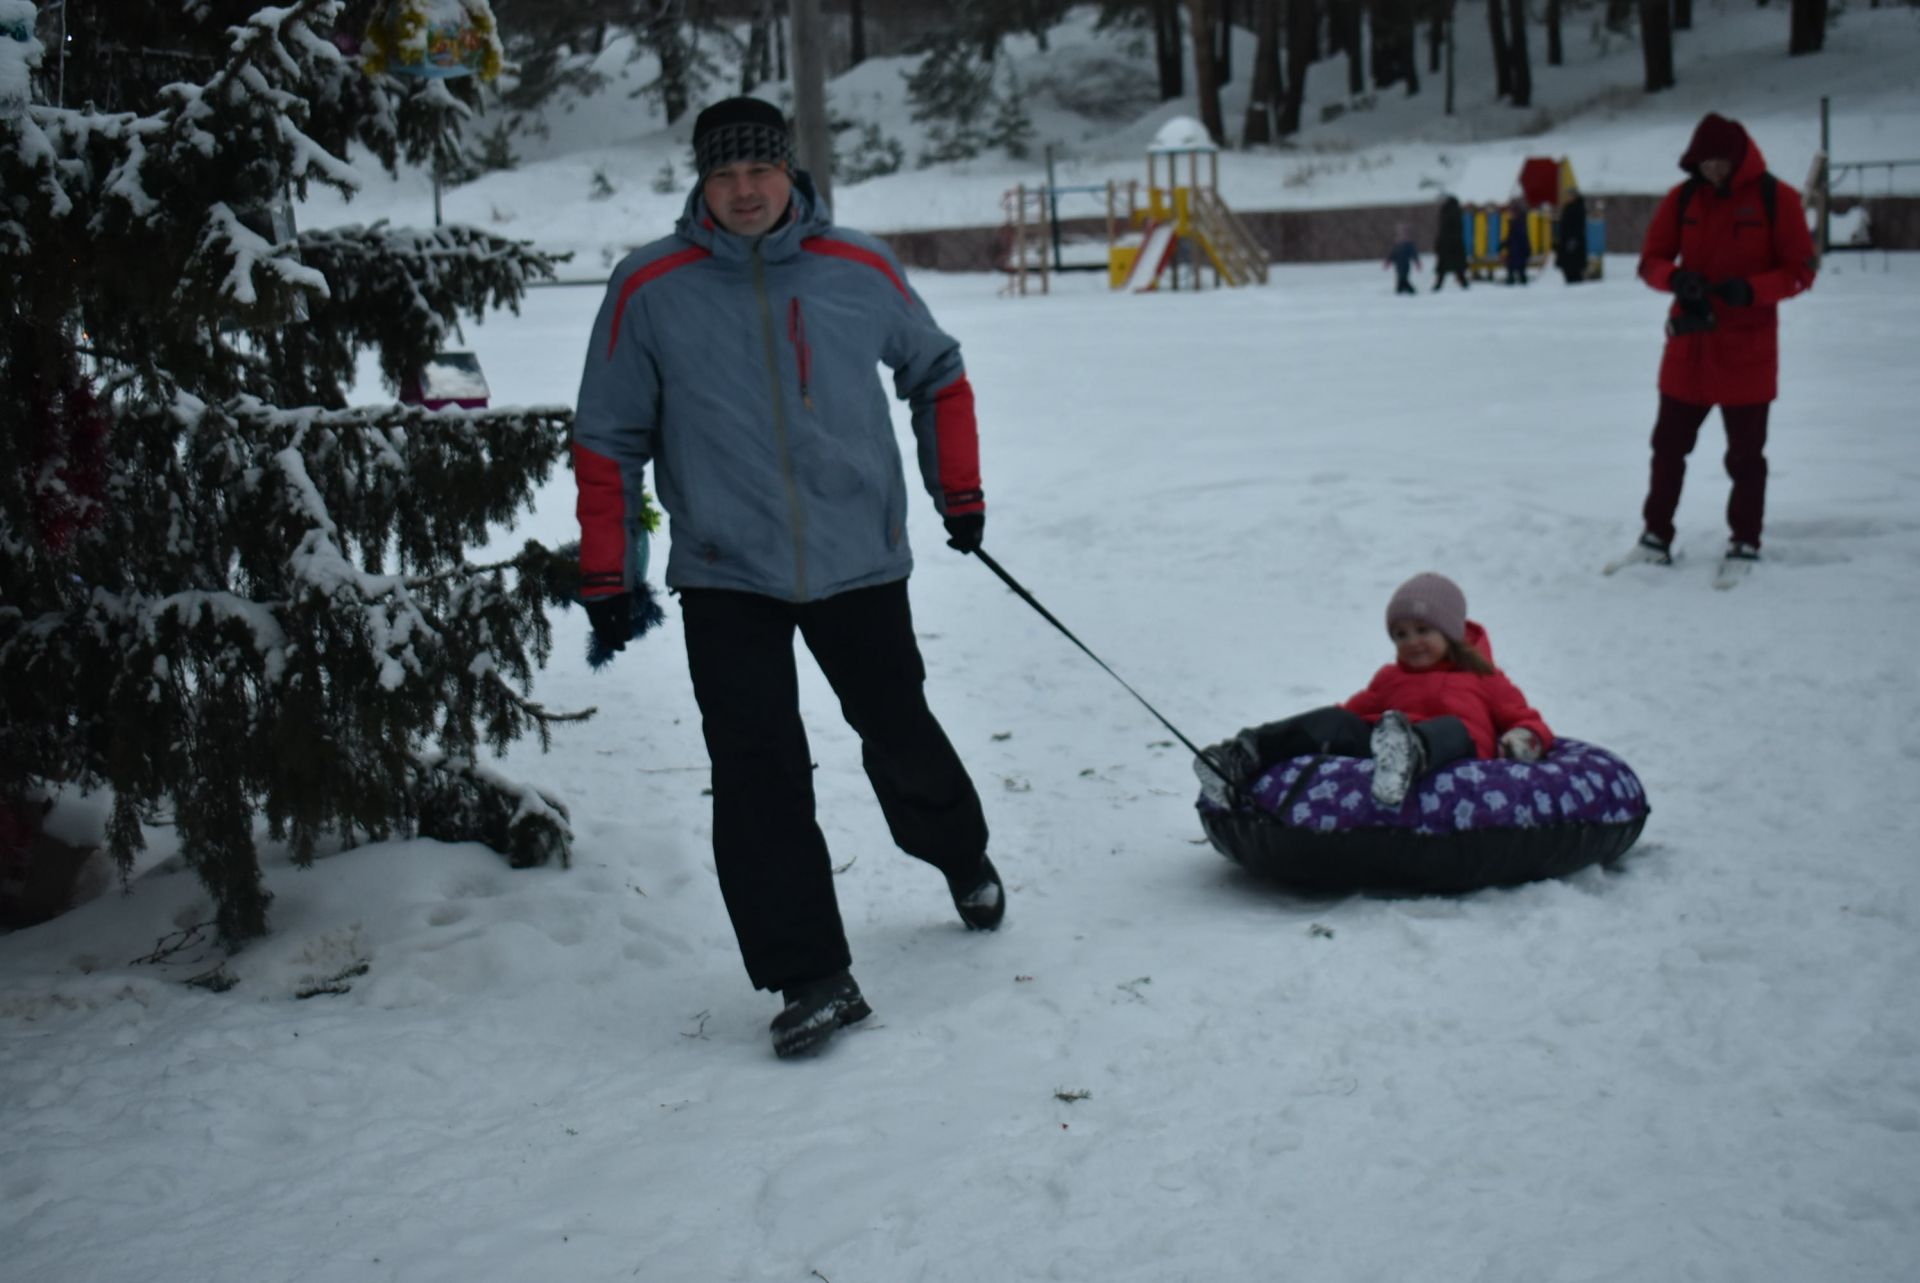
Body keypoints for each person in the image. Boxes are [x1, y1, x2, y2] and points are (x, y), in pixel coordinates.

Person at [571, 97, 1003, 1060]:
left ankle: (957, 852)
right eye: (724, 176)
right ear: (700, 182)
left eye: (759, 171)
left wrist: (957, 489)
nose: (744, 191)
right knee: (757, 772)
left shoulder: (858, 267)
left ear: (790, 172)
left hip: (859, 559)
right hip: (727, 572)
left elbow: (937, 371)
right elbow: (607, 435)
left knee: (897, 728)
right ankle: (811, 974)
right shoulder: (651, 286)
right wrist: (612, 570)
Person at [1614, 112, 1817, 575]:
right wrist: (1676, 278)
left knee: (1745, 457)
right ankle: (1654, 537)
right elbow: (1650, 261)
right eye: (1705, 163)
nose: (1713, 171)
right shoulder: (1683, 198)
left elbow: (1801, 271)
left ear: (1739, 158)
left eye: (1721, 162)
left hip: (1748, 354)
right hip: (1688, 350)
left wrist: (1752, 290)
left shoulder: (1776, 198)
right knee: (1667, 448)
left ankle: (1745, 540)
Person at [1194, 574, 1554, 810]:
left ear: (1451, 632)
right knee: (1335, 720)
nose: (1411, 642)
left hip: (1453, 751)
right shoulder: (1390, 678)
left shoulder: (1482, 676)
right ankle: (1241, 755)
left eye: (1422, 630)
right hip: (1382, 747)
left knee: (1454, 727)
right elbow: (1350, 713)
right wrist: (1326, 727)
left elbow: (1525, 720)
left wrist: (1523, 740)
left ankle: (1411, 752)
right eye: (1400, 634)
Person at [1433, 194, 1470, 292]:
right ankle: (1463, 284)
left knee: (1444, 269)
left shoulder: (1447, 213)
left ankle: (1438, 286)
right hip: (1455, 246)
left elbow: (1444, 231)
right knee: (1457, 269)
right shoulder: (1456, 212)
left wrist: (1439, 245)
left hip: (1448, 246)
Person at [1556, 187, 1589, 285]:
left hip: (1574, 243)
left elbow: (1579, 226)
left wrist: (1574, 239)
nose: (1569, 197)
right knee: (1567, 268)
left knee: (1574, 268)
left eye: (1571, 195)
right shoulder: (1568, 207)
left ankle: (1576, 286)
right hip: (1566, 242)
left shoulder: (1578, 208)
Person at [1383, 223, 1421, 295]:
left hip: (1405, 264)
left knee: (1403, 277)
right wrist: (1388, 262)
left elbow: (1414, 254)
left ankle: (1410, 290)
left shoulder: (1408, 244)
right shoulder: (1397, 244)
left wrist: (1417, 262)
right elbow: (1393, 254)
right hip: (1398, 264)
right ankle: (1400, 290)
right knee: (1400, 277)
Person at [1503, 199, 1532, 285]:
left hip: (1518, 250)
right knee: (1517, 268)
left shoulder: (1518, 222)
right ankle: (1516, 279)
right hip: (1516, 249)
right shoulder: (1518, 222)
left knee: (1516, 267)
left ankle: (1513, 280)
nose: (1509, 214)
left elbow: (1519, 237)